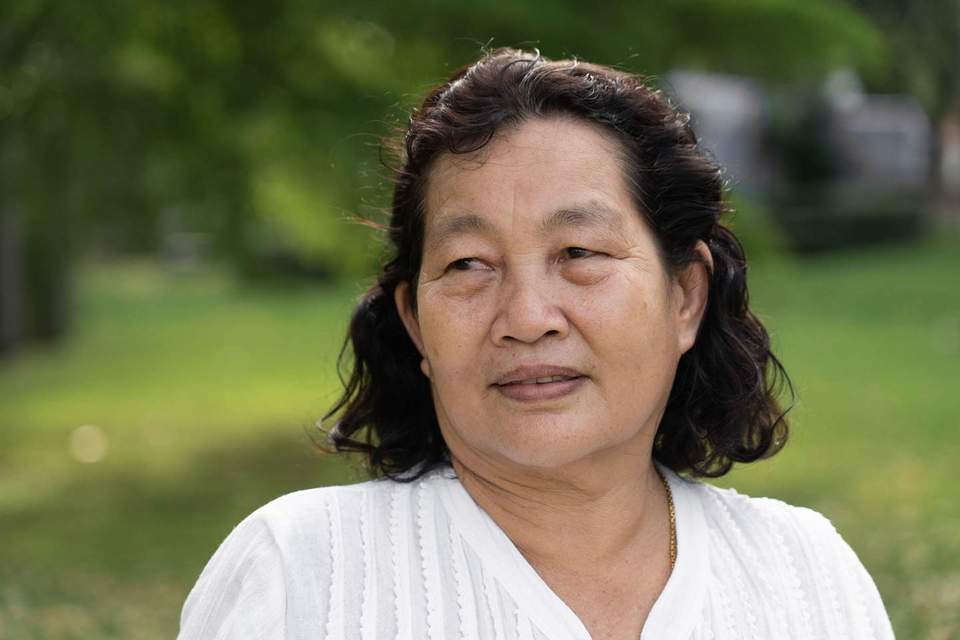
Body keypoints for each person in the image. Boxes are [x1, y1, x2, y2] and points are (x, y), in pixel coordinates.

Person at [177, 48, 895, 639]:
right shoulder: (300, 575)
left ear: (685, 297)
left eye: (579, 251)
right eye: (468, 265)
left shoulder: (806, 574)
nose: (526, 317)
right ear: (416, 320)